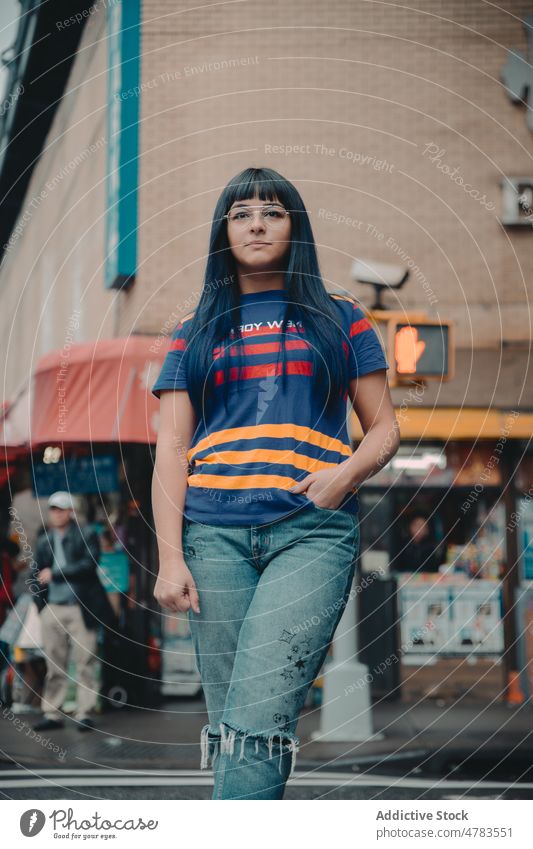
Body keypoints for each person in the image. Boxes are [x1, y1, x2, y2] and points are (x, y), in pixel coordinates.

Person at [151, 167, 400, 799]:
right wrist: (170, 558)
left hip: (311, 532)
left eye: (272, 211)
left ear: (296, 226)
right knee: (240, 721)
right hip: (213, 537)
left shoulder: (339, 317)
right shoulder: (195, 327)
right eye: (240, 213)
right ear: (223, 231)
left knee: (257, 714)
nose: (257, 223)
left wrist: (344, 476)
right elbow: (172, 449)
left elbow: (384, 431)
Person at [31, 491, 115, 732]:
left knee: (85, 661)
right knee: (54, 664)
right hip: (53, 608)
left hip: (82, 607)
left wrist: (56, 573)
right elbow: (34, 573)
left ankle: (85, 712)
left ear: (70, 512)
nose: (56, 514)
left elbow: (90, 564)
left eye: (60, 509)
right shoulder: (44, 539)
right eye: (53, 509)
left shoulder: (86, 533)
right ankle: (52, 713)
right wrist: (41, 607)